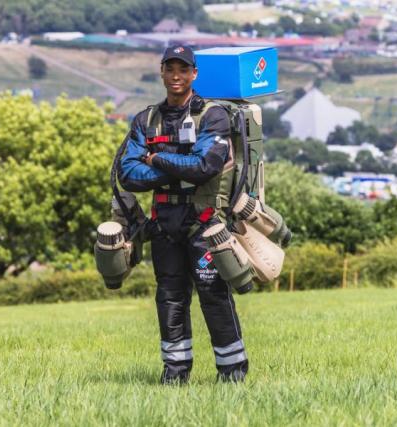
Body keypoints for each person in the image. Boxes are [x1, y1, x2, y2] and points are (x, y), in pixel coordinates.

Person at [118, 45, 248, 384]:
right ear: (161, 72)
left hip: (203, 222)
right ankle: (174, 373)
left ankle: (232, 373)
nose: (176, 75)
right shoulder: (145, 120)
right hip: (163, 222)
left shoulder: (213, 115)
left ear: (194, 74)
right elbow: (128, 174)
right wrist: (179, 169)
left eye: (183, 69)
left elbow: (206, 166)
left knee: (212, 294)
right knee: (170, 297)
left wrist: (157, 159)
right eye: (170, 68)